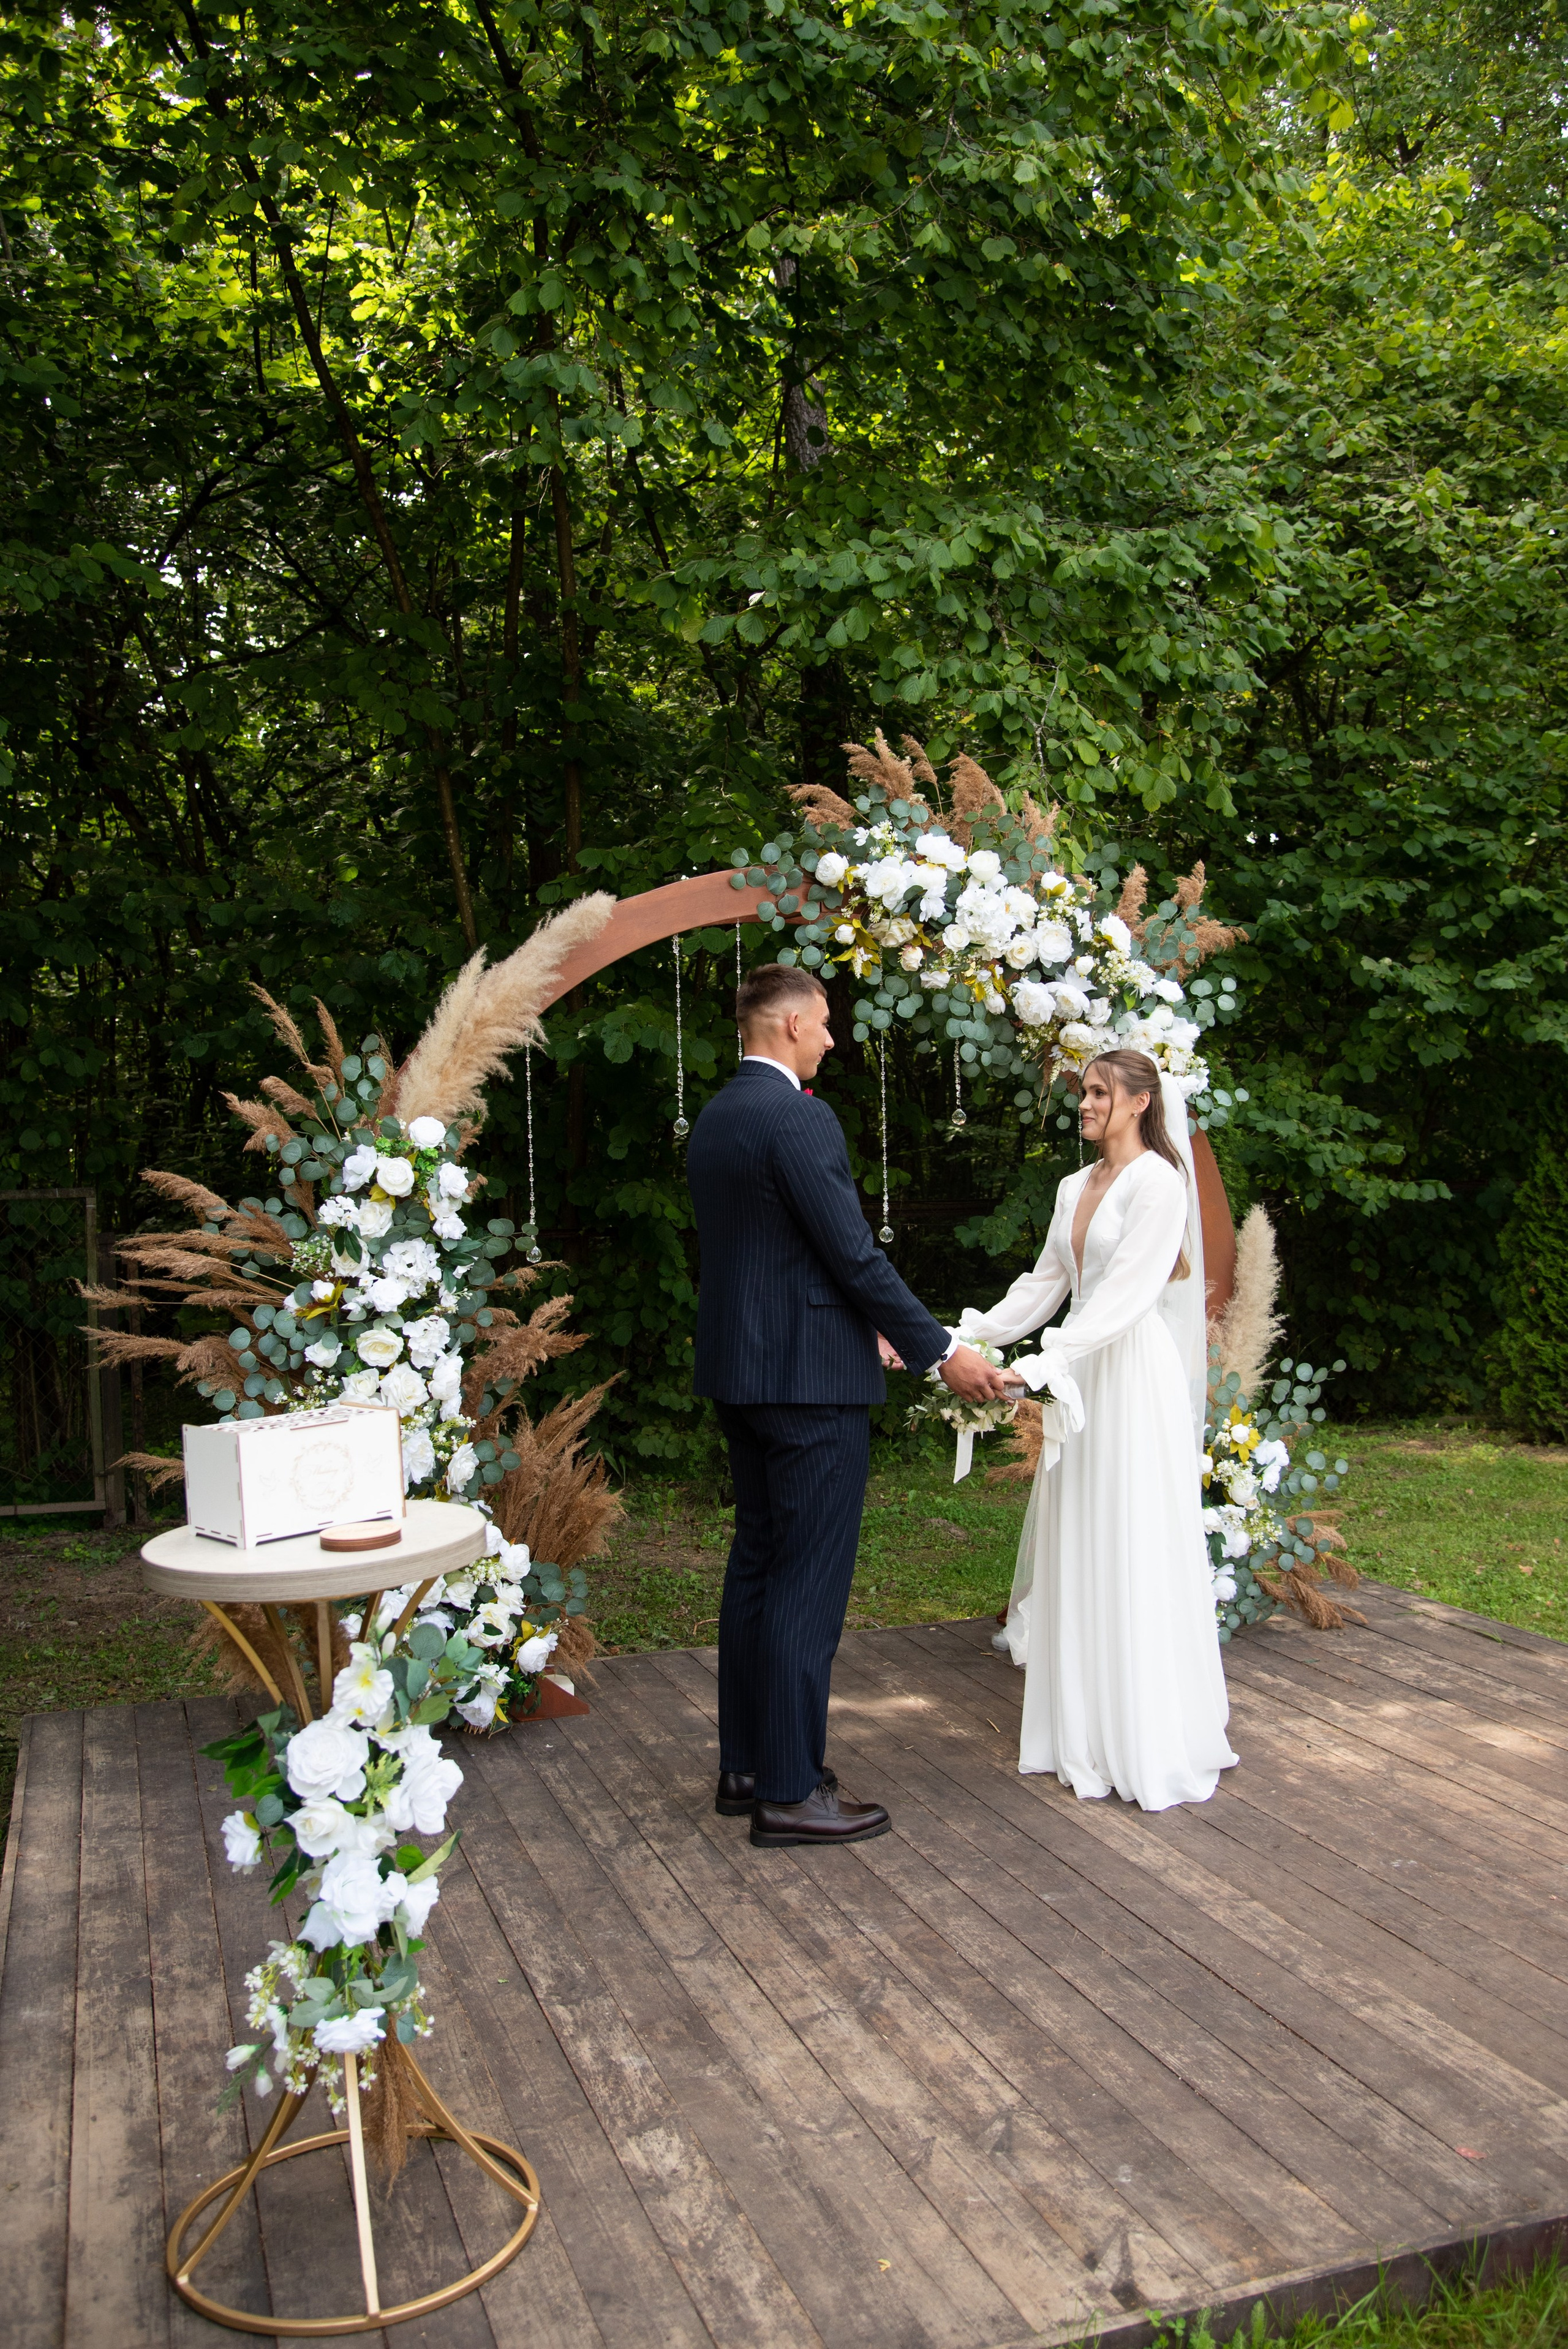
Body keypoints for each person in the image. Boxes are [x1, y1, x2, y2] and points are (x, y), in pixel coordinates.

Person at [686, 962, 1012, 1848]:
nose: (832, 1039)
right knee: (806, 1581)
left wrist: (865, 1329)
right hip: (809, 1385)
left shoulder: (718, 1116)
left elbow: (776, 1254)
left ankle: (747, 1767)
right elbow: (852, 1252)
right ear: (791, 1023)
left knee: (757, 1565)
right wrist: (941, 1350)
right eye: (825, 1022)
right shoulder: (799, 1115)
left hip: (741, 1373)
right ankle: (791, 1792)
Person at [956, 1049, 1238, 1811]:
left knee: (1131, 1535)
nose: (1084, 1104)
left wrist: (1044, 1364)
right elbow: (1043, 1287)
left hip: (1127, 1374)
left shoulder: (1159, 1183)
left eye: (1099, 1092)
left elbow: (1125, 1297)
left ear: (1141, 1102)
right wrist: (968, 1336)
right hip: (1079, 1371)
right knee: (1080, 1534)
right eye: (1083, 1092)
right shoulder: (1072, 1186)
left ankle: (1145, 1732)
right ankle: (1080, 1730)